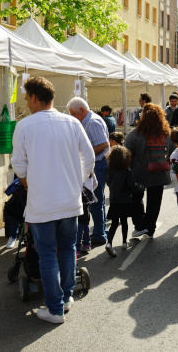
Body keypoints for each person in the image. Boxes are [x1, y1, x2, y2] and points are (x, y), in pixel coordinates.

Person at [11, 77, 95, 323]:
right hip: (69, 200)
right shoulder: (71, 122)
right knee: (68, 249)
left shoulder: (24, 126)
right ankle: (66, 297)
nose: (26, 102)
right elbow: (88, 157)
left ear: (35, 98)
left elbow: (19, 165)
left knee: (47, 254)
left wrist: (28, 184)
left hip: (42, 204)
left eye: (27, 98)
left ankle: (56, 308)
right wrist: (76, 181)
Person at [126, 103, 175, 239]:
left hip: (139, 174)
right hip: (160, 173)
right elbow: (172, 152)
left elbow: (126, 153)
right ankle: (150, 228)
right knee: (155, 201)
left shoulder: (135, 134)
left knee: (136, 199)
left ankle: (140, 225)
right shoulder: (167, 133)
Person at [67, 97, 110, 246]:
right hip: (96, 164)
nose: (72, 117)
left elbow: (104, 144)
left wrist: (85, 153)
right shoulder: (89, 121)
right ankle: (100, 231)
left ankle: (99, 234)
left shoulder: (92, 122)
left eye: (73, 114)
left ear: (81, 110)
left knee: (95, 201)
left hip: (97, 164)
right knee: (97, 201)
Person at [105, 145, 144, 257]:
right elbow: (132, 185)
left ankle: (109, 243)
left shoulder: (109, 170)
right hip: (125, 199)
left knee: (114, 223)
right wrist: (141, 187)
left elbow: (108, 183)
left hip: (113, 200)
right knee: (124, 222)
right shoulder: (126, 171)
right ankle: (124, 242)